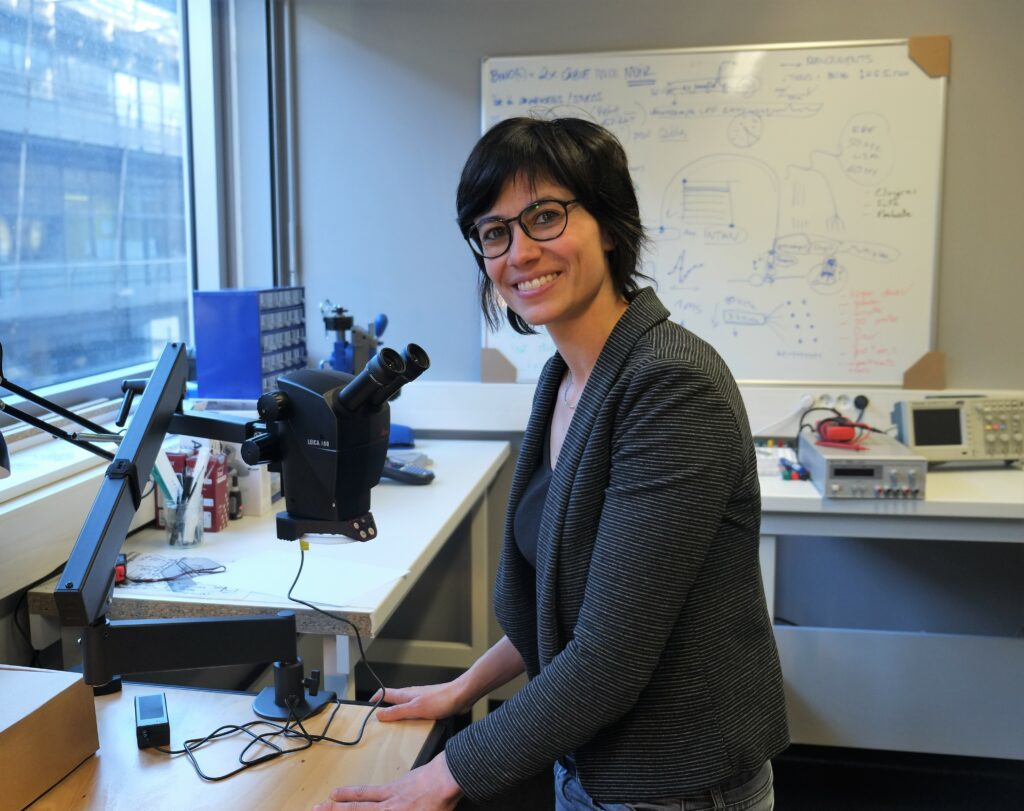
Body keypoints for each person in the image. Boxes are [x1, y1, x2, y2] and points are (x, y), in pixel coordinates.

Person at [314, 117, 789, 811]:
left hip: (674, 781)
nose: (519, 252)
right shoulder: (565, 378)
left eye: (545, 216)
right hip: (591, 761)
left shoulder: (671, 386)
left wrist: (442, 774)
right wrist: (462, 687)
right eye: (494, 232)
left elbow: (609, 657)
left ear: (609, 224)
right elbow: (566, 601)